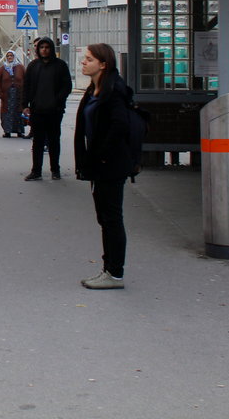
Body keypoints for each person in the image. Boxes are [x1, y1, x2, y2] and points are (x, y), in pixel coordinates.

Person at [74, 42, 138, 290]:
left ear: (103, 64)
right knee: (105, 218)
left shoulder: (114, 91)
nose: (83, 62)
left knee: (111, 218)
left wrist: (100, 156)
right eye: (84, 58)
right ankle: (109, 269)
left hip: (110, 165)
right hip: (99, 164)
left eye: (89, 59)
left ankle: (114, 273)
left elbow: (119, 127)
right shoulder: (95, 89)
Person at [21, 36, 72, 181]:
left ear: (51, 49)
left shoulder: (60, 65)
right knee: (37, 141)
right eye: (41, 47)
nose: (44, 50)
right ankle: (36, 171)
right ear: (38, 49)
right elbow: (27, 87)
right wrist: (25, 105)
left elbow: (66, 86)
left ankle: (55, 170)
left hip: (54, 111)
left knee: (54, 140)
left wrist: (58, 101)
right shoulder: (33, 66)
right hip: (37, 110)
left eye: (47, 47)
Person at [0, 51, 26, 138]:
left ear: (14, 56)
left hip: (18, 95)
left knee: (19, 112)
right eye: (8, 56)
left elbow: (26, 79)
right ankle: (7, 131)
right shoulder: (3, 68)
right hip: (7, 96)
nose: (10, 57)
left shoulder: (21, 67)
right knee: (6, 113)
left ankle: (19, 131)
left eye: (11, 56)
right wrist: (0, 93)